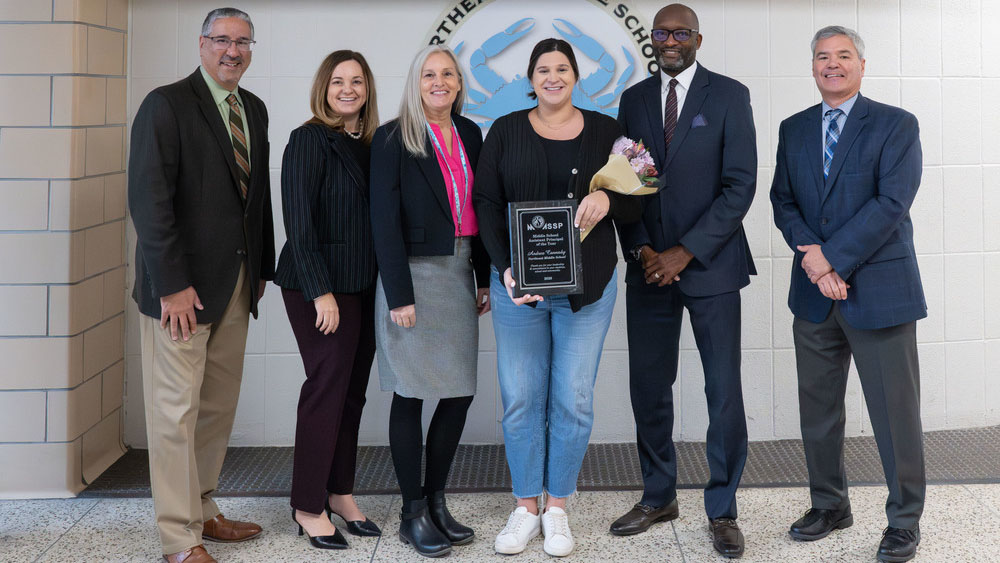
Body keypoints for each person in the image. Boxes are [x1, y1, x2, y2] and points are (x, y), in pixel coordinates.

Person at [473, 38, 641, 558]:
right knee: (522, 398)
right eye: (543, 69)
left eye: (562, 68)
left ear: (576, 76)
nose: (552, 77)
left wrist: (609, 196)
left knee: (573, 399)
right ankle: (525, 507)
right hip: (518, 291)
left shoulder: (609, 131)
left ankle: (558, 508)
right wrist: (504, 270)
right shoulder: (503, 130)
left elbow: (644, 189)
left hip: (589, 288)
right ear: (531, 78)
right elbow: (484, 201)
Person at [770, 25, 926, 563]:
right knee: (818, 412)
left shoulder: (895, 125)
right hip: (815, 297)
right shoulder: (792, 129)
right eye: (821, 57)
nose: (831, 65)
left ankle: (904, 520)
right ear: (812, 66)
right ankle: (829, 505)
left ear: (861, 64)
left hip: (878, 292)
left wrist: (829, 258)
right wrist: (814, 261)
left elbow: (891, 203)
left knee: (894, 413)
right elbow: (782, 201)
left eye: (842, 56)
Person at [611, 3, 757, 558]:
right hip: (648, 267)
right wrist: (645, 248)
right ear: (652, 39)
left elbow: (739, 186)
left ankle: (722, 510)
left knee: (722, 392)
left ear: (698, 38)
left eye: (680, 33)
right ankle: (658, 495)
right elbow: (631, 180)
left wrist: (684, 252)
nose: (669, 41)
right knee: (649, 388)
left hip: (712, 266)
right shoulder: (634, 100)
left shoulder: (728, 95)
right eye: (661, 33)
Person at [127, 7, 272, 563]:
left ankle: (205, 508)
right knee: (174, 414)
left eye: (242, 42)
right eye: (221, 40)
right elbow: (149, 200)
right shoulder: (166, 104)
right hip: (181, 293)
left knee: (214, 406)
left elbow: (254, 198)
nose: (232, 51)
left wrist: (261, 268)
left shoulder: (251, 108)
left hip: (235, 283)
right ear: (202, 43)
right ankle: (178, 537)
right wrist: (171, 286)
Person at [369, 45, 491, 558]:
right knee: (411, 394)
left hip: (460, 272)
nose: (438, 82)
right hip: (413, 278)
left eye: (447, 74)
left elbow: (480, 209)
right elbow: (383, 219)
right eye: (428, 74)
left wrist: (483, 277)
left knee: (459, 392)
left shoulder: (470, 133)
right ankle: (411, 510)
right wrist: (398, 293)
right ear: (416, 83)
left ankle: (438, 500)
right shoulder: (393, 137)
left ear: (460, 83)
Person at [274, 50, 382, 550]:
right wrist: (321, 292)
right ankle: (306, 503)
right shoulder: (308, 139)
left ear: (367, 89)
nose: (347, 89)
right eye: (338, 81)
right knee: (326, 389)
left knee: (352, 392)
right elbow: (299, 224)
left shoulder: (373, 142)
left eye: (356, 81)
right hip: (318, 287)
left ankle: (340, 492)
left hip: (362, 286)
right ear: (324, 87)